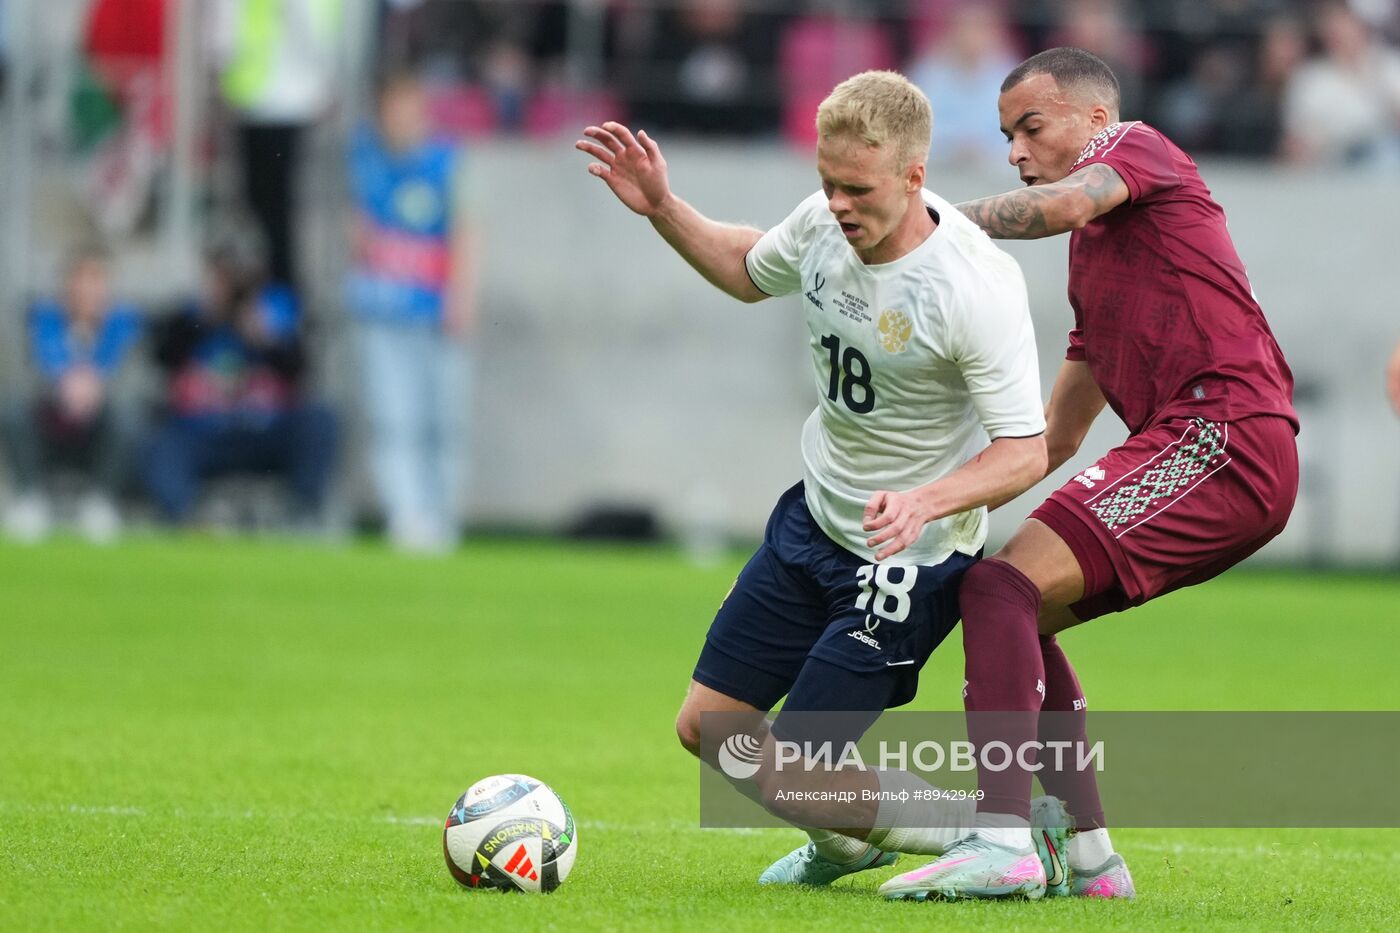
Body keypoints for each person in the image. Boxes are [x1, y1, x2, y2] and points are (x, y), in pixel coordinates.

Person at [577, 70, 1054, 886]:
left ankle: (988, 838)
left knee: (794, 763)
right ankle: (847, 839)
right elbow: (744, 267)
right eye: (827, 182)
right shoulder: (824, 223)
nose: (837, 203)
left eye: (857, 188)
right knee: (711, 729)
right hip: (812, 524)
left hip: (910, 557)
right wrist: (663, 206)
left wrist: (923, 501)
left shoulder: (974, 286)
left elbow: (1025, 450)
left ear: (914, 175)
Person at [879, 47, 1298, 902]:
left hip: (1225, 434)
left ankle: (1002, 841)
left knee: (1000, 590)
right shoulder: (1095, 259)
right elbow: (1053, 434)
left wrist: (922, 222)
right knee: (1006, 601)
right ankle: (1092, 858)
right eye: (1006, 136)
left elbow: (1061, 203)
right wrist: (936, 497)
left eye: (1031, 127)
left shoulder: (1139, 147)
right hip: (1196, 443)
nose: (1016, 151)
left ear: (1096, 121)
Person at [347, 73, 476, 553]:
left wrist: (461, 298)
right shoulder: (364, 160)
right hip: (382, 310)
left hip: (433, 308)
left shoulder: (445, 163)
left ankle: (444, 517)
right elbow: (355, 226)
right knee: (393, 419)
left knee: (443, 420)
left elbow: (466, 230)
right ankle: (406, 516)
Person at [142, 248, 336, 527]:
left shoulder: (267, 321)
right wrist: (205, 319)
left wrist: (265, 338)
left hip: (263, 429)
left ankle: (303, 514)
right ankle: (185, 520)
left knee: (320, 420)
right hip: (204, 431)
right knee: (161, 442)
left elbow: (300, 373)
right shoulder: (191, 320)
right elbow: (163, 359)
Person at [2, 247, 143, 543]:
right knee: (10, 409)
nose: (86, 289)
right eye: (79, 279)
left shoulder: (126, 328)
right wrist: (58, 385)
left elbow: (138, 382)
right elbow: (16, 376)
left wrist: (98, 388)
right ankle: (30, 499)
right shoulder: (37, 322)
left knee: (129, 416)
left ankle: (101, 503)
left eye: (95, 280)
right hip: (49, 426)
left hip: (97, 432)